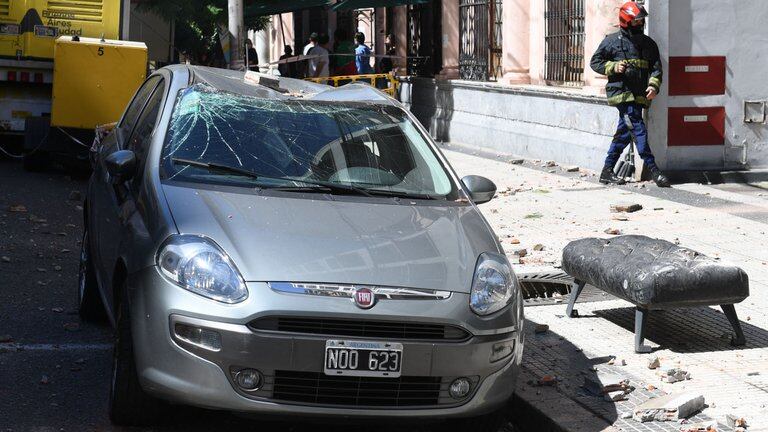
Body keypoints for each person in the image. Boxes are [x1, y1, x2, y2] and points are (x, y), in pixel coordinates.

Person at [590, 1, 670, 187]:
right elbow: (595, 62)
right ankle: (655, 170)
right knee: (638, 128)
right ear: (626, 21)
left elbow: (656, 69)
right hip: (622, 94)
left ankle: (607, 171)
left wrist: (653, 86)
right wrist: (613, 67)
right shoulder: (611, 41)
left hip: (639, 94)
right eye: (636, 21)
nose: (640, 24)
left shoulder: (648, 44)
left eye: (641, 20)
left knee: (625, 132)